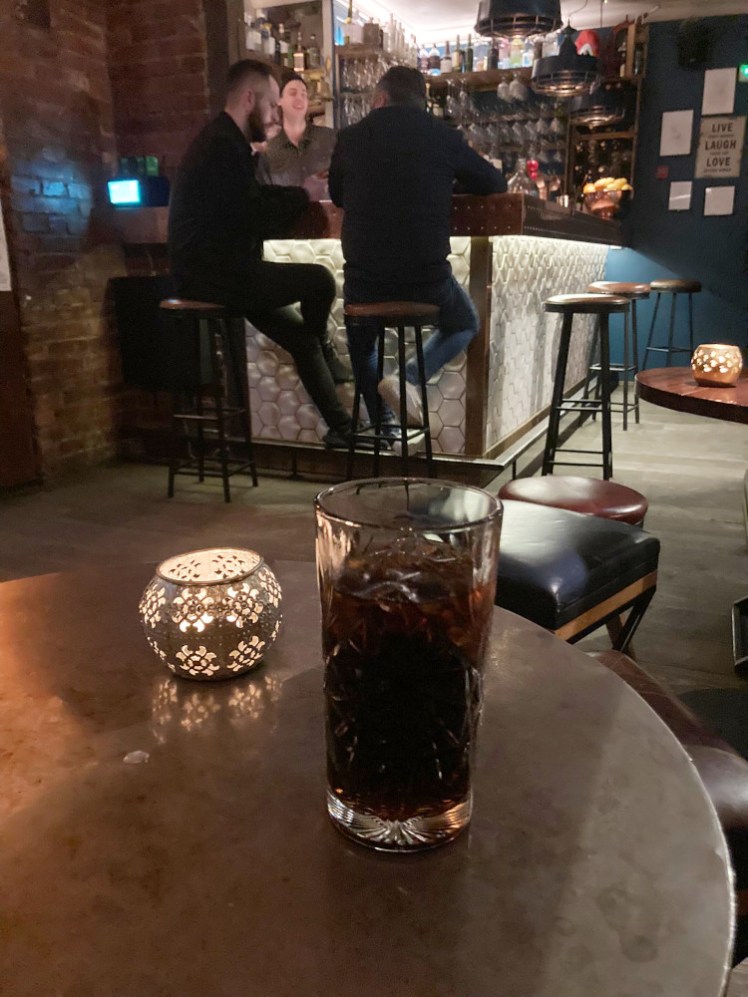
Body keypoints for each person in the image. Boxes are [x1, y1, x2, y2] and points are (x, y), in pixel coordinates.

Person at [168, 59, 353, 450]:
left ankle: (342, 429)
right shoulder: (222, 146)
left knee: (300, 339)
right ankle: (323, 344)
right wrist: (303, 194)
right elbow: (253, 214)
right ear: (249, 99)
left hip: (221, 271)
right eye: (271, 105)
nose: (274, 115)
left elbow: (248, 203)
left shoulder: (225, 143)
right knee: (319, 280)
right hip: (217, 276)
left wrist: (297, 193)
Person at [328, 66, 507, 428]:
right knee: (465, 323)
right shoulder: (442, 136)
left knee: (362, 346)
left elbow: (336, 195)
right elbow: (494, 182)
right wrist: (443, 185)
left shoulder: (350, 137)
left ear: (379, 99)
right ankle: (408, 378)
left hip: (365, 280)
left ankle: (385, 427)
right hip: (425, 279)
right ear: (423, 103)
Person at [261, 70, 336, 200]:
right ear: (279, 100)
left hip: (327, 217)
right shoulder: (269, 149)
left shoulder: (330, 138)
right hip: (287, 218)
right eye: (293, 93)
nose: (299, 98)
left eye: (304, 94)